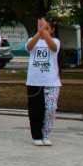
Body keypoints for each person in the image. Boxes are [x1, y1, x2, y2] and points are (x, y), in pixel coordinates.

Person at [26, 17, 61, 146]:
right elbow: (29, 47)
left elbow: (52, 47)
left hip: (51, 82)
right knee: (35, 110)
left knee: (50, 110)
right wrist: (39, 32)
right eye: (41, 27)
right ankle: (36, 135)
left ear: (52, 30)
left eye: (47, 28)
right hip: (34, 82)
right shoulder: (32, 40)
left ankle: (46, 134)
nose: (43, 30)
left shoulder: (56, 41)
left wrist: (44, 32)